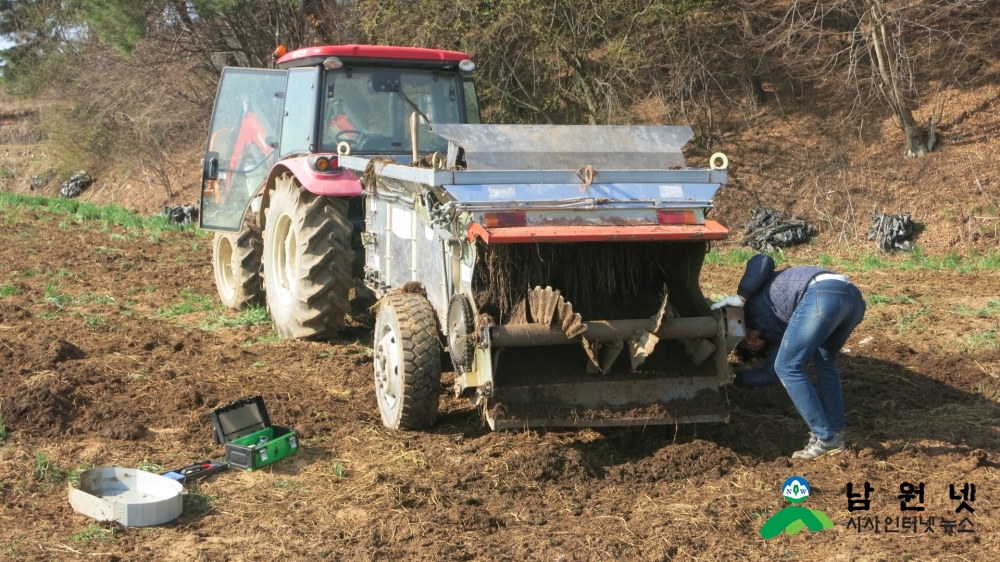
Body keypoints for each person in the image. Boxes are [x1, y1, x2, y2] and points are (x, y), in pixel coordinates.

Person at [711, 254, 866, 460]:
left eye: (747, 341)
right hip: (850, 298)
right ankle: (834, 432)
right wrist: (730, 377)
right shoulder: (779, 337)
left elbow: (762, 260)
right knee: (824, 359)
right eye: (751, 348)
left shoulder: (750, 301)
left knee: (788, 366)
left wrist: (740, 297)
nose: (750, 342)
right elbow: (770, 373)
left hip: (823, 292)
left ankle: (825, 439)